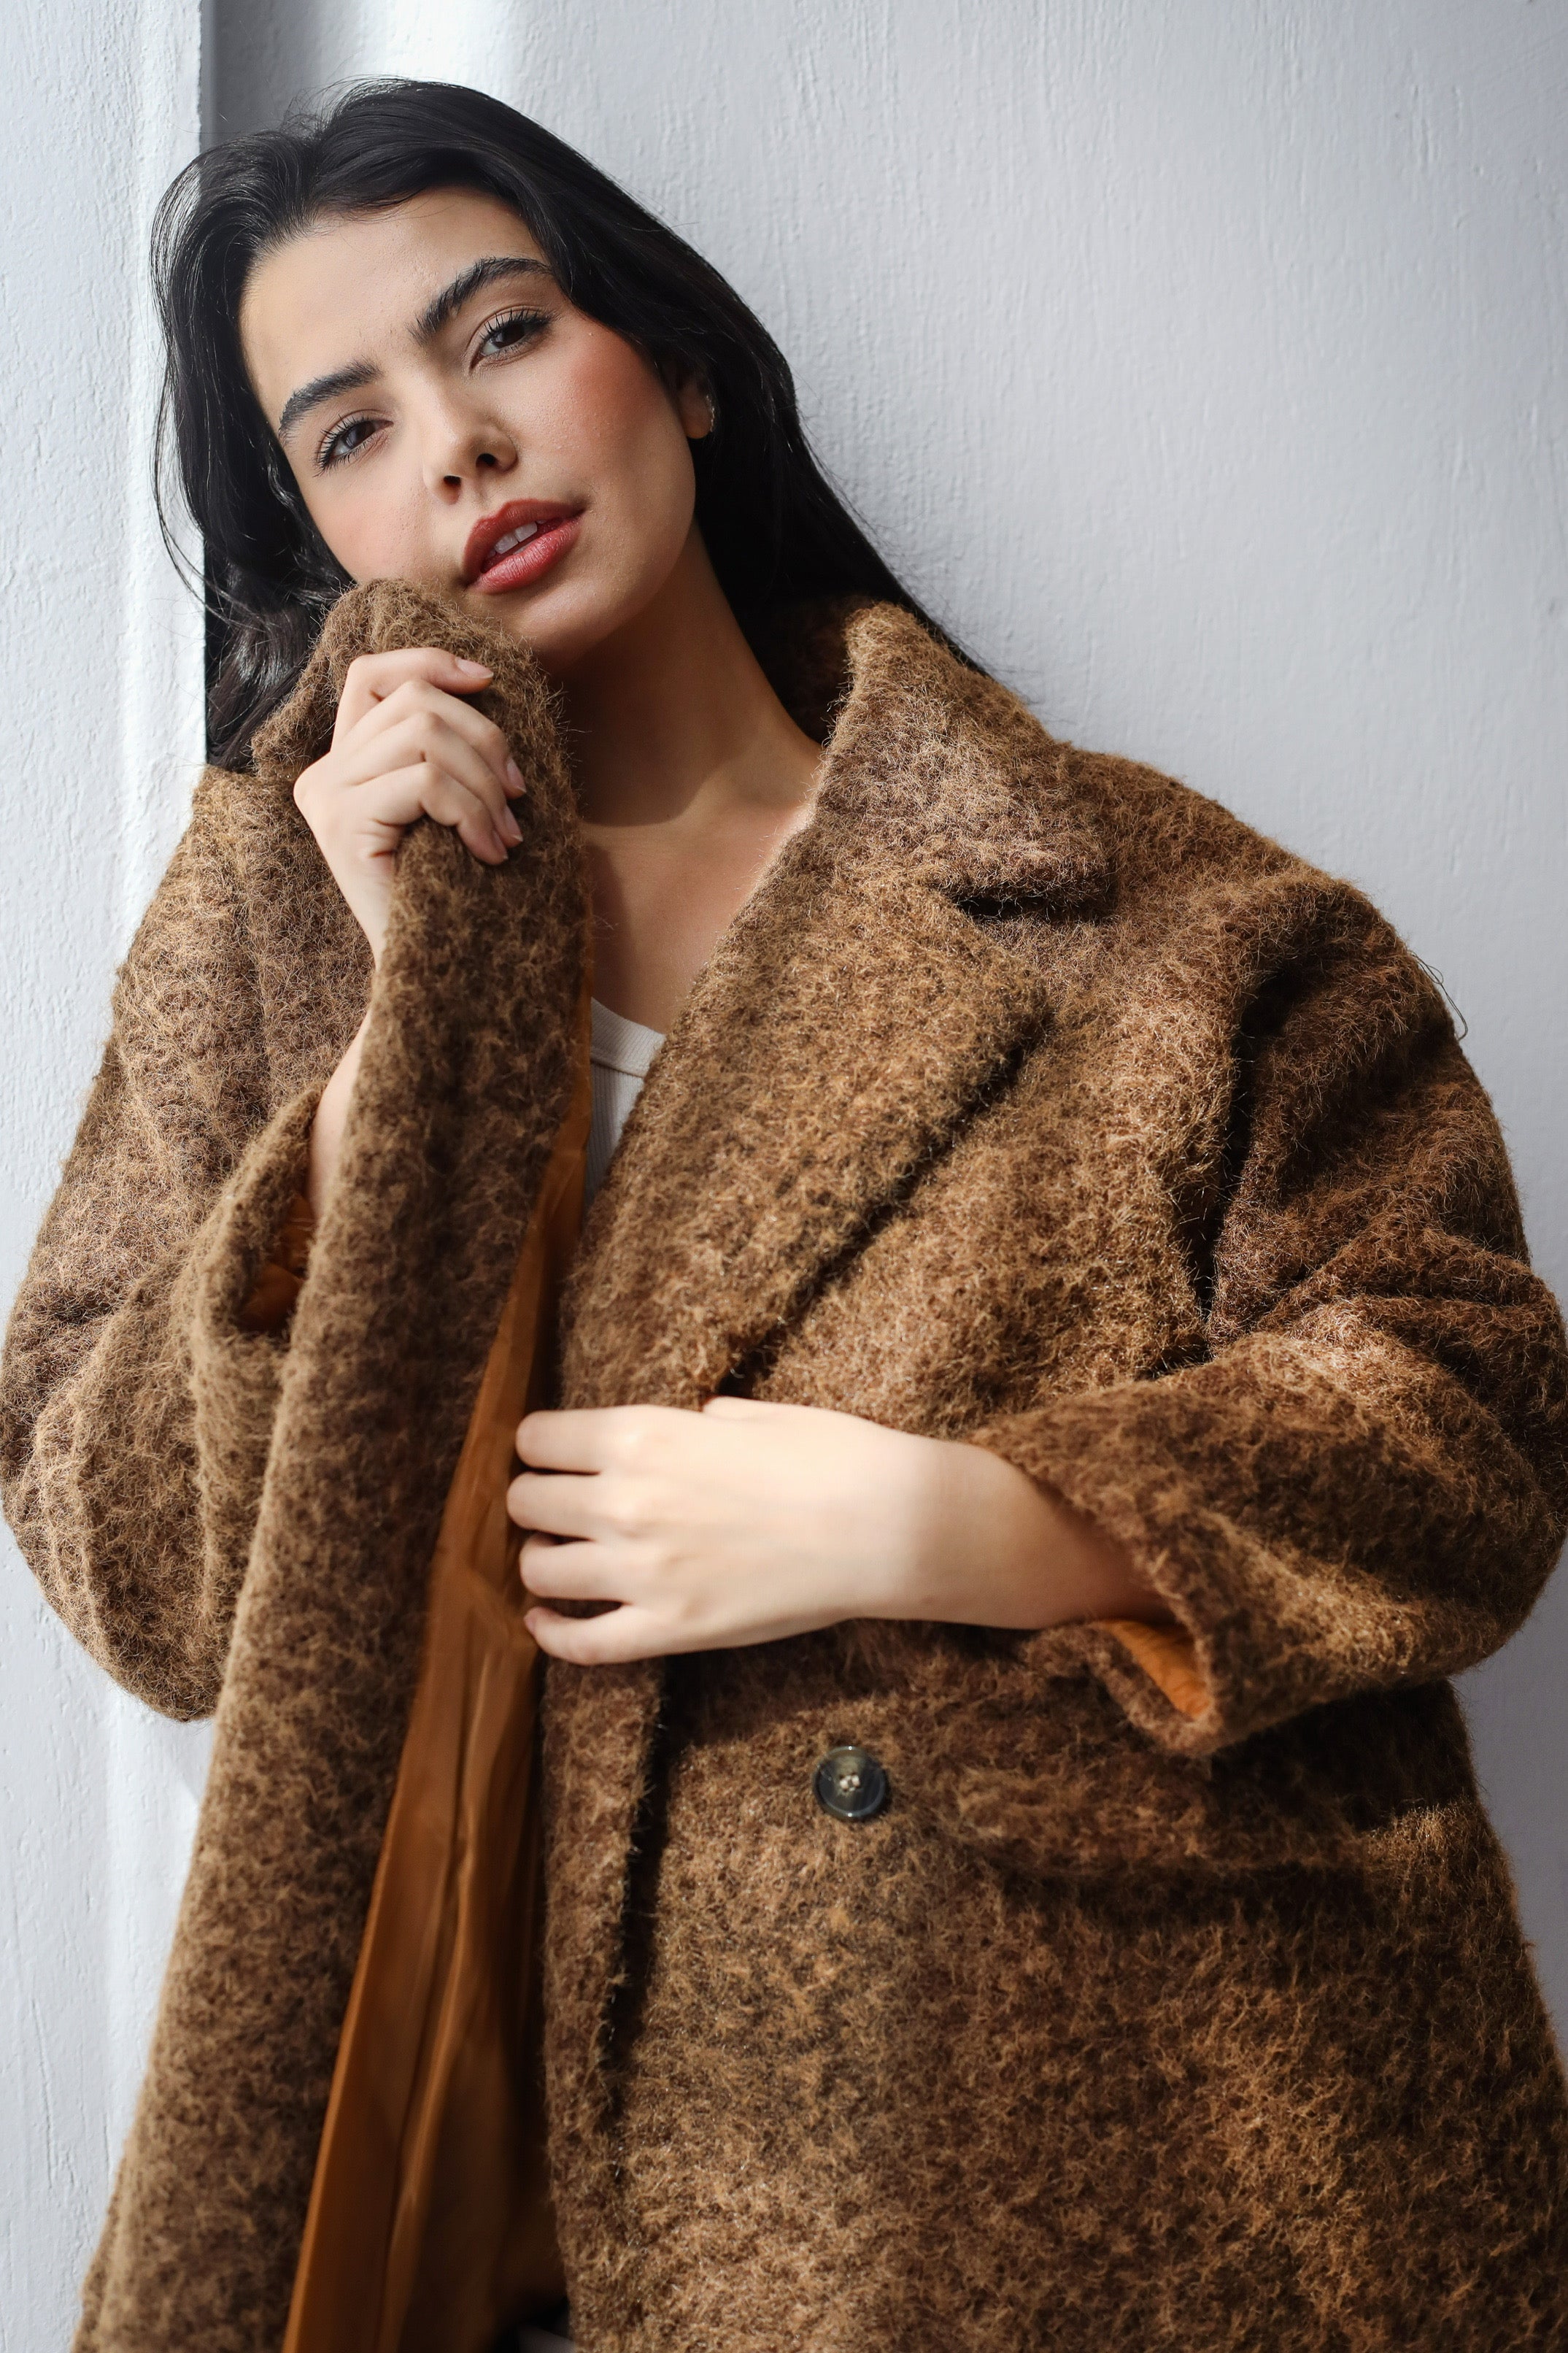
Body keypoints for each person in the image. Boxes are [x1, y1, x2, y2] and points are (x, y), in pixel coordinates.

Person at [4, 74, 1566, 2353]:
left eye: (504, 332)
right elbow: (138, 1577)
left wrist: (959, 1521)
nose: (459, 447)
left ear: (683, 365)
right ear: (319, 534)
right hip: (463, 2239)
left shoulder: (1138, 908)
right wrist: (368, 1067)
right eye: (349, 434)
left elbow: (1469, 1413)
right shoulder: (276, 928)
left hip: (1061, 2187)